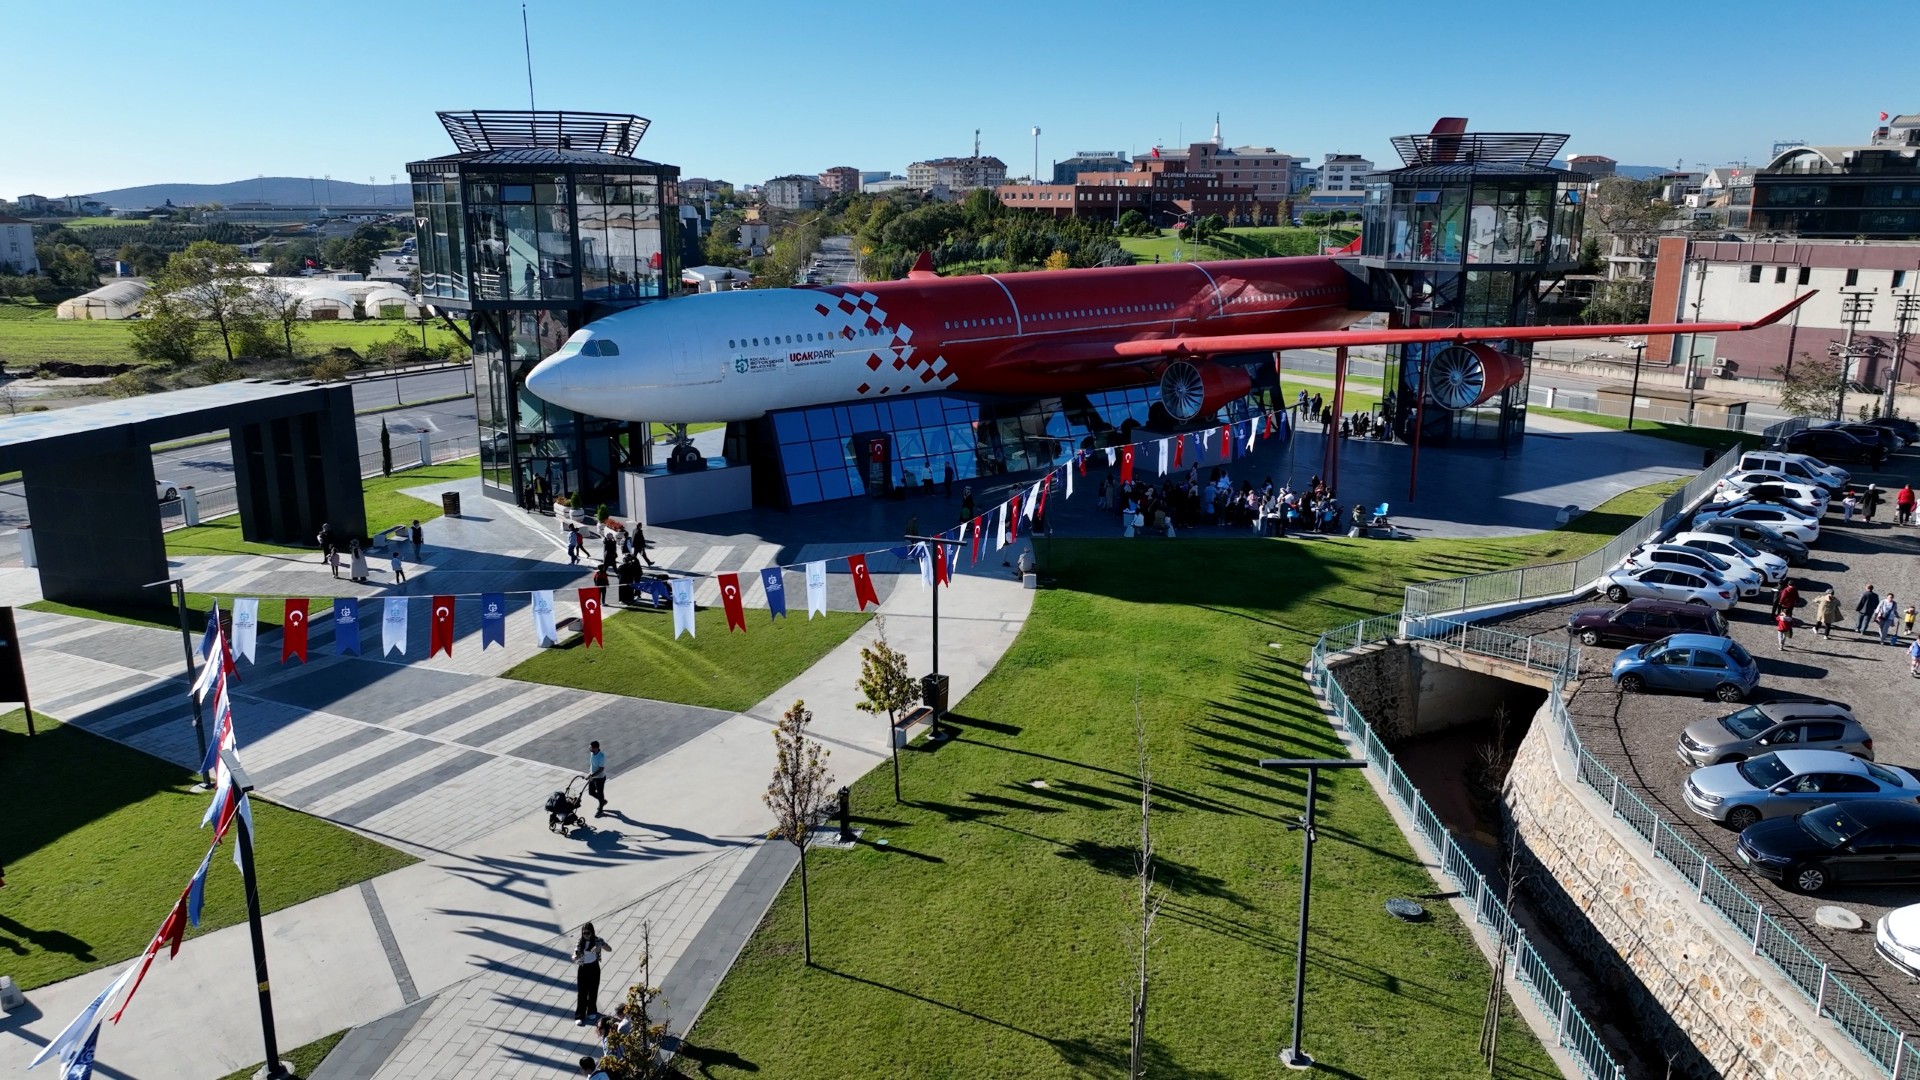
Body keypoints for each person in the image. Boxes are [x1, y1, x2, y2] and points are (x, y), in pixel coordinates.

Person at [572, 922, 610, 1026]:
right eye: (584, 933)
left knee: (593, 990)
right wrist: (575, 956)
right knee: (582, 993)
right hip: (583, 968)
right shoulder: (580, 942)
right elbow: (575, 954)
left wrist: (601, 946)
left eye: (588, 933)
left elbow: (609, 949)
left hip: (594, 967)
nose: (586, 935)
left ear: (592, 932)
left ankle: (592, 1010)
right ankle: (580, 1015)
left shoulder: (597, 940)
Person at [587, 740, 608, 816]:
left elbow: (601, 769)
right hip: (593, 776)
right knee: (591, 792)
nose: (589, 748)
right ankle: (602, 801)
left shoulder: (601, 756)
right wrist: (590, 773)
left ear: (596, 748)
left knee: (600, 793)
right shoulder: (592, 753)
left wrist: (592, 775)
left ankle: (600, 809)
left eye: (591, 747)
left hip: (600, 778)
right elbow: (592, 765)